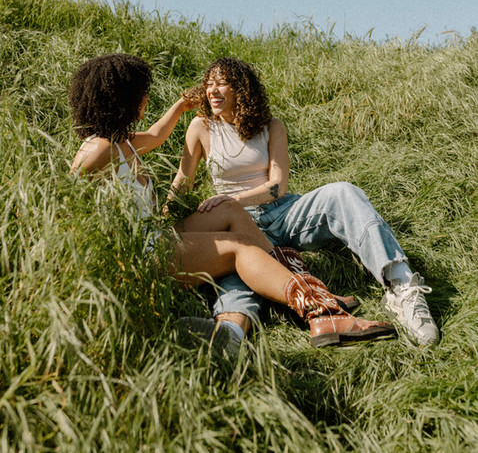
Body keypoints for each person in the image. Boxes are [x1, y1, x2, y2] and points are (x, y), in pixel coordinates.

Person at [69, 53, 395, 354]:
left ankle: (305, 293)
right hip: (141, 255)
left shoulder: (121, 142)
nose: (146, 99)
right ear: (125, 98)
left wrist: (181, 106)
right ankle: (322, 312)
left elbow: (156, 135)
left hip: (155, 236)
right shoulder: (97, 150)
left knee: (228, 209)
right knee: (240, 248)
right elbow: (67, 208)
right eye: (143, 92)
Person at [169, 57, 440, 347]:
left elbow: (277, 185)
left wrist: (231, 199)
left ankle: (401, 286)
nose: (212, 90)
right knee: (239, 274)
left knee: (343, 192)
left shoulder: (271, 126)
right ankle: (231, 335)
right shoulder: (201, 127)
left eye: (222, 83)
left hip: (283, 212)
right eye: (209, 84)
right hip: (237, 226)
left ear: (242, 89)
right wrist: (162, 219)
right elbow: (182, 180)